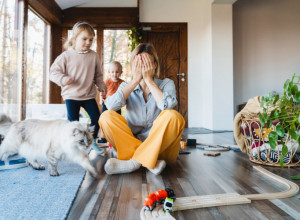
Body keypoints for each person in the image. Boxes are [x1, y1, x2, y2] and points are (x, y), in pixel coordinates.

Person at [99, 43, 185, 175]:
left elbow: (167, 105)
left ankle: (134, 162)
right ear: (133, 66)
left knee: (173, 116)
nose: (142, 67)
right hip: (129, 146)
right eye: (138, 63)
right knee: (106, 117)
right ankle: (150, 161)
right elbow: (110, 106)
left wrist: (149, 81)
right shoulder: (126, 86)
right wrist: (134, 81)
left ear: (154, 65)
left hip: (161, 148)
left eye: (146, 63)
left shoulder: (167, 83)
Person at [49, 21, 106, 154]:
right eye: (84, 39)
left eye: (91, 39)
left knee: (97, 119)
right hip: (71, 96)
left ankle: (91, 142)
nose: (88, 42)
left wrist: (101, 86)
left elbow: (98, 75)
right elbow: (53, 73)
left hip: (88, 95)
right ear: (75, 39)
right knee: (73, 124)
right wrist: (63, 79)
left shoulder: (94, 56)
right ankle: (72, 146)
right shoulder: (66, 56)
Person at [98, 61, 125, 143]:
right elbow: (102, 92)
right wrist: (101, 99)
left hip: (117, 106)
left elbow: (124, 94)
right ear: (109, 72)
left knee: (116, 121)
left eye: (117, 72)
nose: (114, 74)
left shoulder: (122, 83)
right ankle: (104, 136)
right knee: (104, 120)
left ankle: (114, 135)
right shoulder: (107, 82)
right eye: (112, 72)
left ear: (121, 72)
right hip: (106, 104)